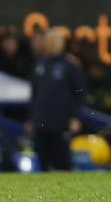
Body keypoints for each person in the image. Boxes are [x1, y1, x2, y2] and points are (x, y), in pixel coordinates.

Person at [29, 27, 87, 172]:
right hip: (41, 121)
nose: (52, 43)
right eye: (49, 40)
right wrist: (30, 118)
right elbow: (34, 94)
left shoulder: (70, 65)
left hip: (61, 121)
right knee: (41, 161)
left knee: (62, 162)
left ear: (62, 43)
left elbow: (79, 93)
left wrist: (75, 117)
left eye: (56, 40)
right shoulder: (39, 63)